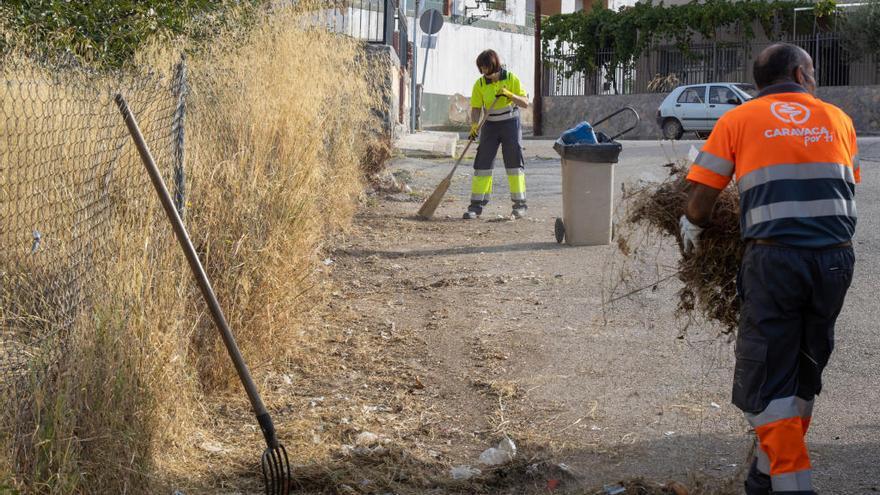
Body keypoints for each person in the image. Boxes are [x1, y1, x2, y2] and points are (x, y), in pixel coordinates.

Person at [680, 43, 859, 494]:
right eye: (813, 71)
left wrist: (691, 224)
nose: (814, 78)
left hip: (775, 260)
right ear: (799, 74)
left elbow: (702, 199)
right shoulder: (839, 119)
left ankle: (791, 483)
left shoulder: (737, 119)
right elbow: (846, 180)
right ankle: (764, 473)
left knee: (765, 376)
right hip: (836, 259)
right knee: (804, 366)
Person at [463, 49, 531, 220]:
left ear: (494, 64)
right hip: (490, 126)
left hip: (510, 124)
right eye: (481, 68)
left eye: (486, 67)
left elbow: (525, 103)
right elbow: (477, 107)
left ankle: (520, 205)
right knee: (482, 164)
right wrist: (474, 125)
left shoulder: (511, 78)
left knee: (514, 163)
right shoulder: (479, 84)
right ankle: (476, 206)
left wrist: (509, 94)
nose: (484, 71)